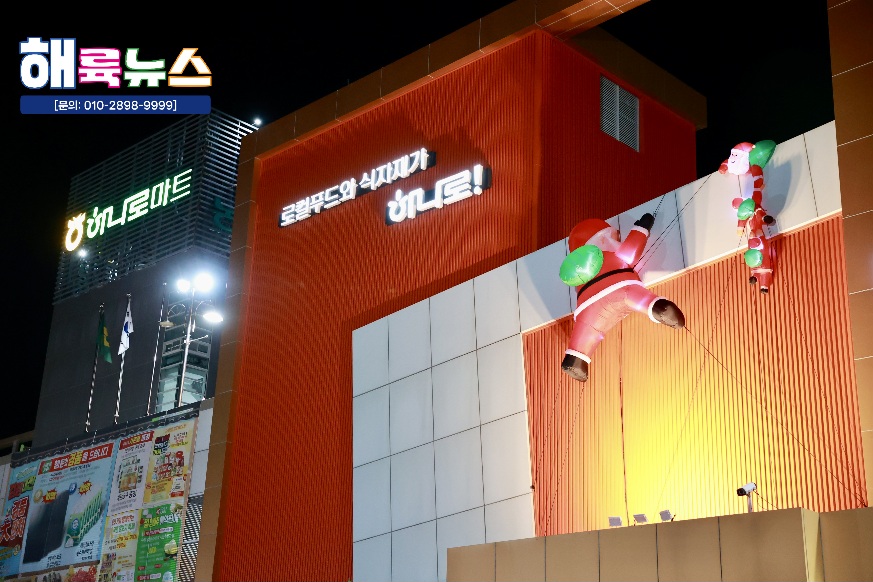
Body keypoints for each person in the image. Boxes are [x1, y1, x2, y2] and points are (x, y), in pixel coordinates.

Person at [560, 213, 685, 382]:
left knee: (586, 329)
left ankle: (575, 359)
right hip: (618, 286)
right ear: (603, 237)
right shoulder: (608, 254)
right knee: (633, 296)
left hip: (587, 304)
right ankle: (657, 307)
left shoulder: (580, 270)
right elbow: (631, 251)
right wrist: (642, 227)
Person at [718, 141, 776, 293]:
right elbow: (743, 223)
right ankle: (760, 282)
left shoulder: (755, 210)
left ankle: (763, 284)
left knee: (759, 259)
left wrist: (766, 220)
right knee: (759, 259)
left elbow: (761, 217)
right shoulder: (747, 214)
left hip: (755, 239)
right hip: (755, 241)